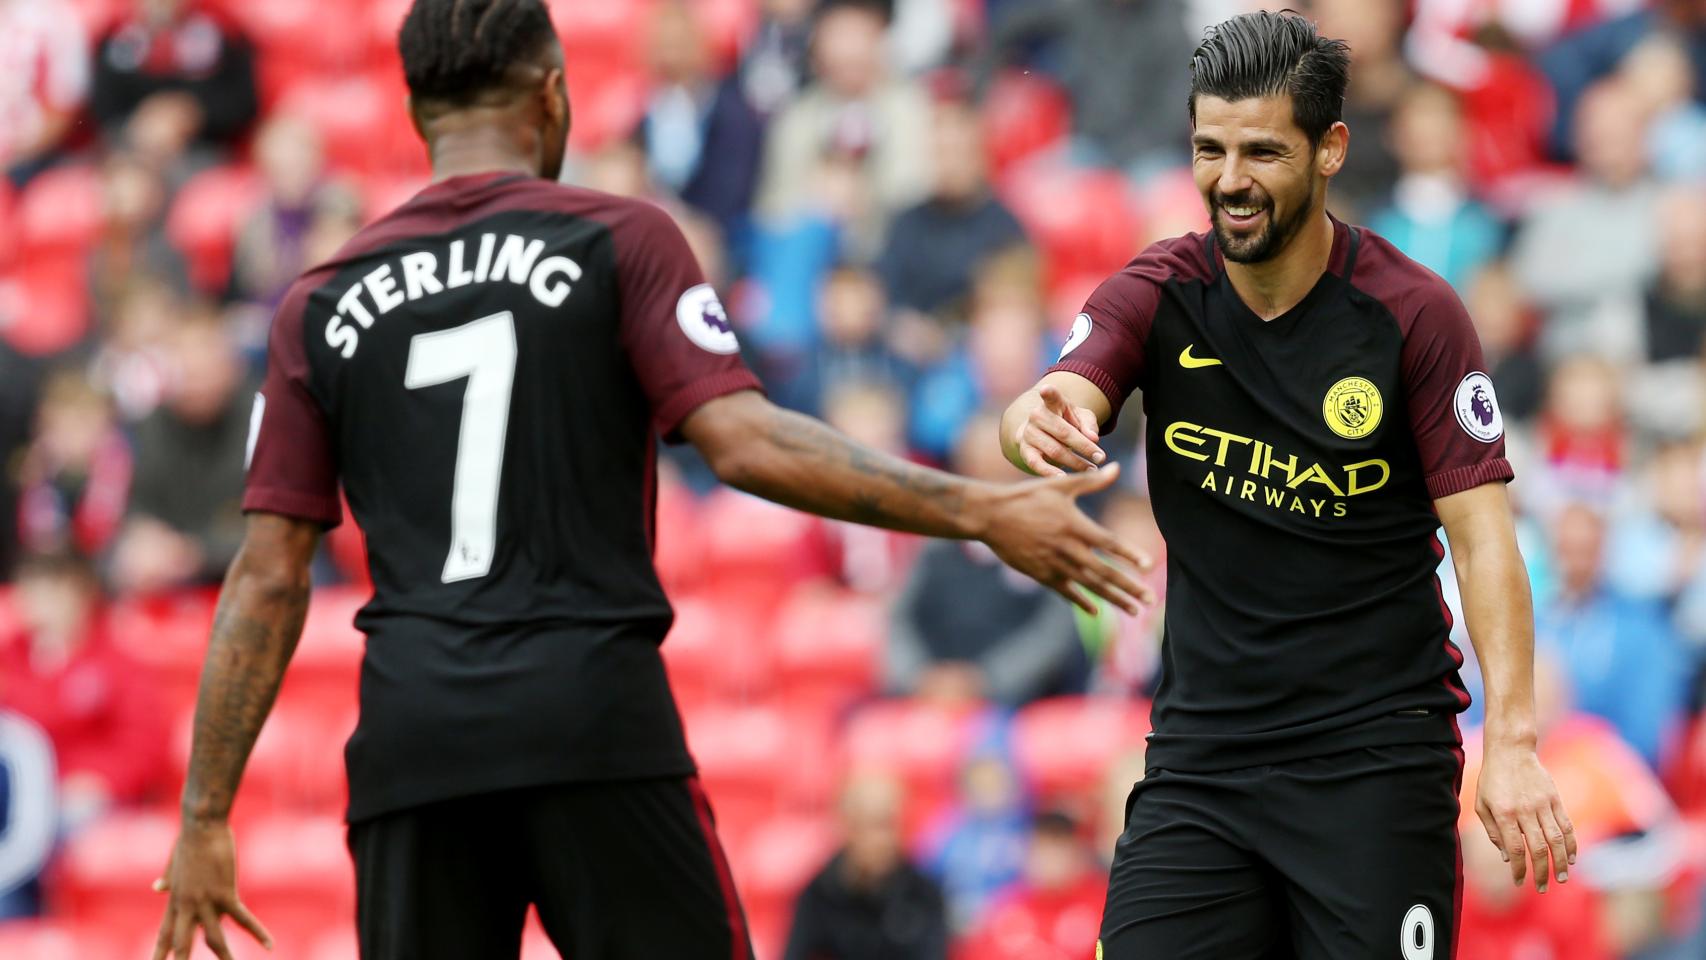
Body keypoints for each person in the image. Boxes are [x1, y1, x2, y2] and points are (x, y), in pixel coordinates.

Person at [149, 3, 1152, 959]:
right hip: (589, 717)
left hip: (417, 744)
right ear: (552, 95)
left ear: (415, 114)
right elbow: (747, 445)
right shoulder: (617, 239)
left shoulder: (319, 302)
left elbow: (271, 573)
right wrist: (979, 507)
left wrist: (203, 815)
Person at [999, 12, 1573, 958]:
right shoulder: (1160, 291)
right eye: (1210, 149)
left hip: (1374, 769)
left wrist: (1510, 745)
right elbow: (1059, 393)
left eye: (1262, 151)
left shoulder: (1412, 316)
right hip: (1201, 767)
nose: (1230, 180)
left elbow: (1482, 538)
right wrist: (1036, 424)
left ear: (1330, 149)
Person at [784, 774, 948, 960]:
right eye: (871, 825)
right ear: (847, 827)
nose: (883, 840)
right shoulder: (818, 895)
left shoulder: (924, 895)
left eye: (890, 825)